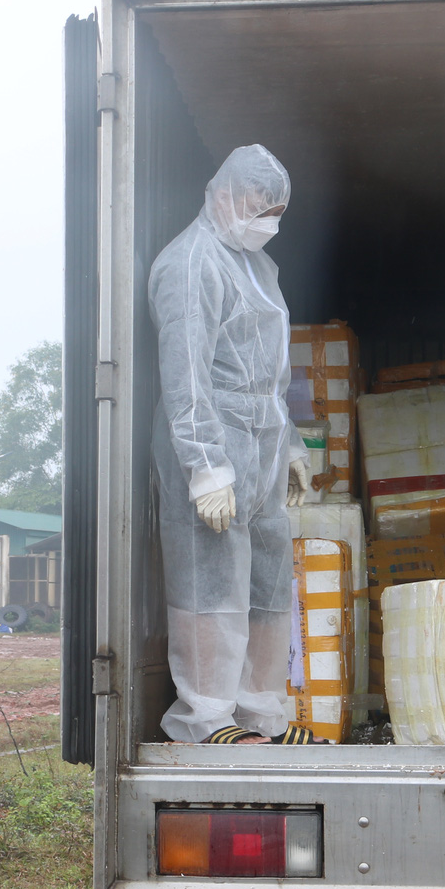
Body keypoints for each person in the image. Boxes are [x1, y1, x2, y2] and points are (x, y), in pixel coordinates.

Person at [149, 143, 317, 745]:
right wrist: (205, 467)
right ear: (222, 195)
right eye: (257, 205)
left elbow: (269, 373)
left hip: (264, 449)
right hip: (216, 446)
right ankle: (206, 718)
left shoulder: (256, 265)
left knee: (268, 584)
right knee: (210, 582)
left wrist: (292, 445)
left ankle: (261, 716)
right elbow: (186, 372)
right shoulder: (191, 263)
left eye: (276, 210)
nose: (267, 220)